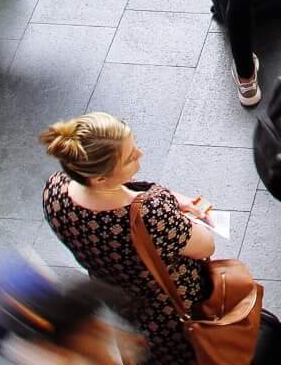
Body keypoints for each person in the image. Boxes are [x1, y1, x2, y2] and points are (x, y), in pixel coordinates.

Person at [39, 113, 234, 365]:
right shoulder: (149, 216)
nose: (141, 154)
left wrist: (171, 201)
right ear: (99, 178)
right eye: (130, 157)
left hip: (122, 296)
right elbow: (206, 244)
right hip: (173, 305)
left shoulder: (55, 191)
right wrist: (170, 209)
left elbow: (127, 192)